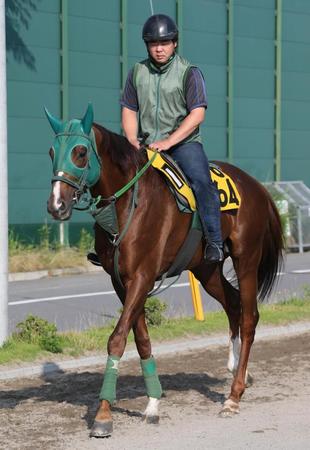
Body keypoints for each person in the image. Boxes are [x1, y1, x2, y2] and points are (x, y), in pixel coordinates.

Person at [120, 14, 223, 263]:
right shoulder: (136, 72)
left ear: (175, 43)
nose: (159, 49)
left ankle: (215, 242)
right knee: (115, 182)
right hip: (144, 146)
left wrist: (168, 142)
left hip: (183, 146)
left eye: (164, 43)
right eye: (153, 43)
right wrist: (132, 141)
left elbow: (198, 114)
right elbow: (129, 110)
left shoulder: (189, 72)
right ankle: (111, 245)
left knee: (201, 181)